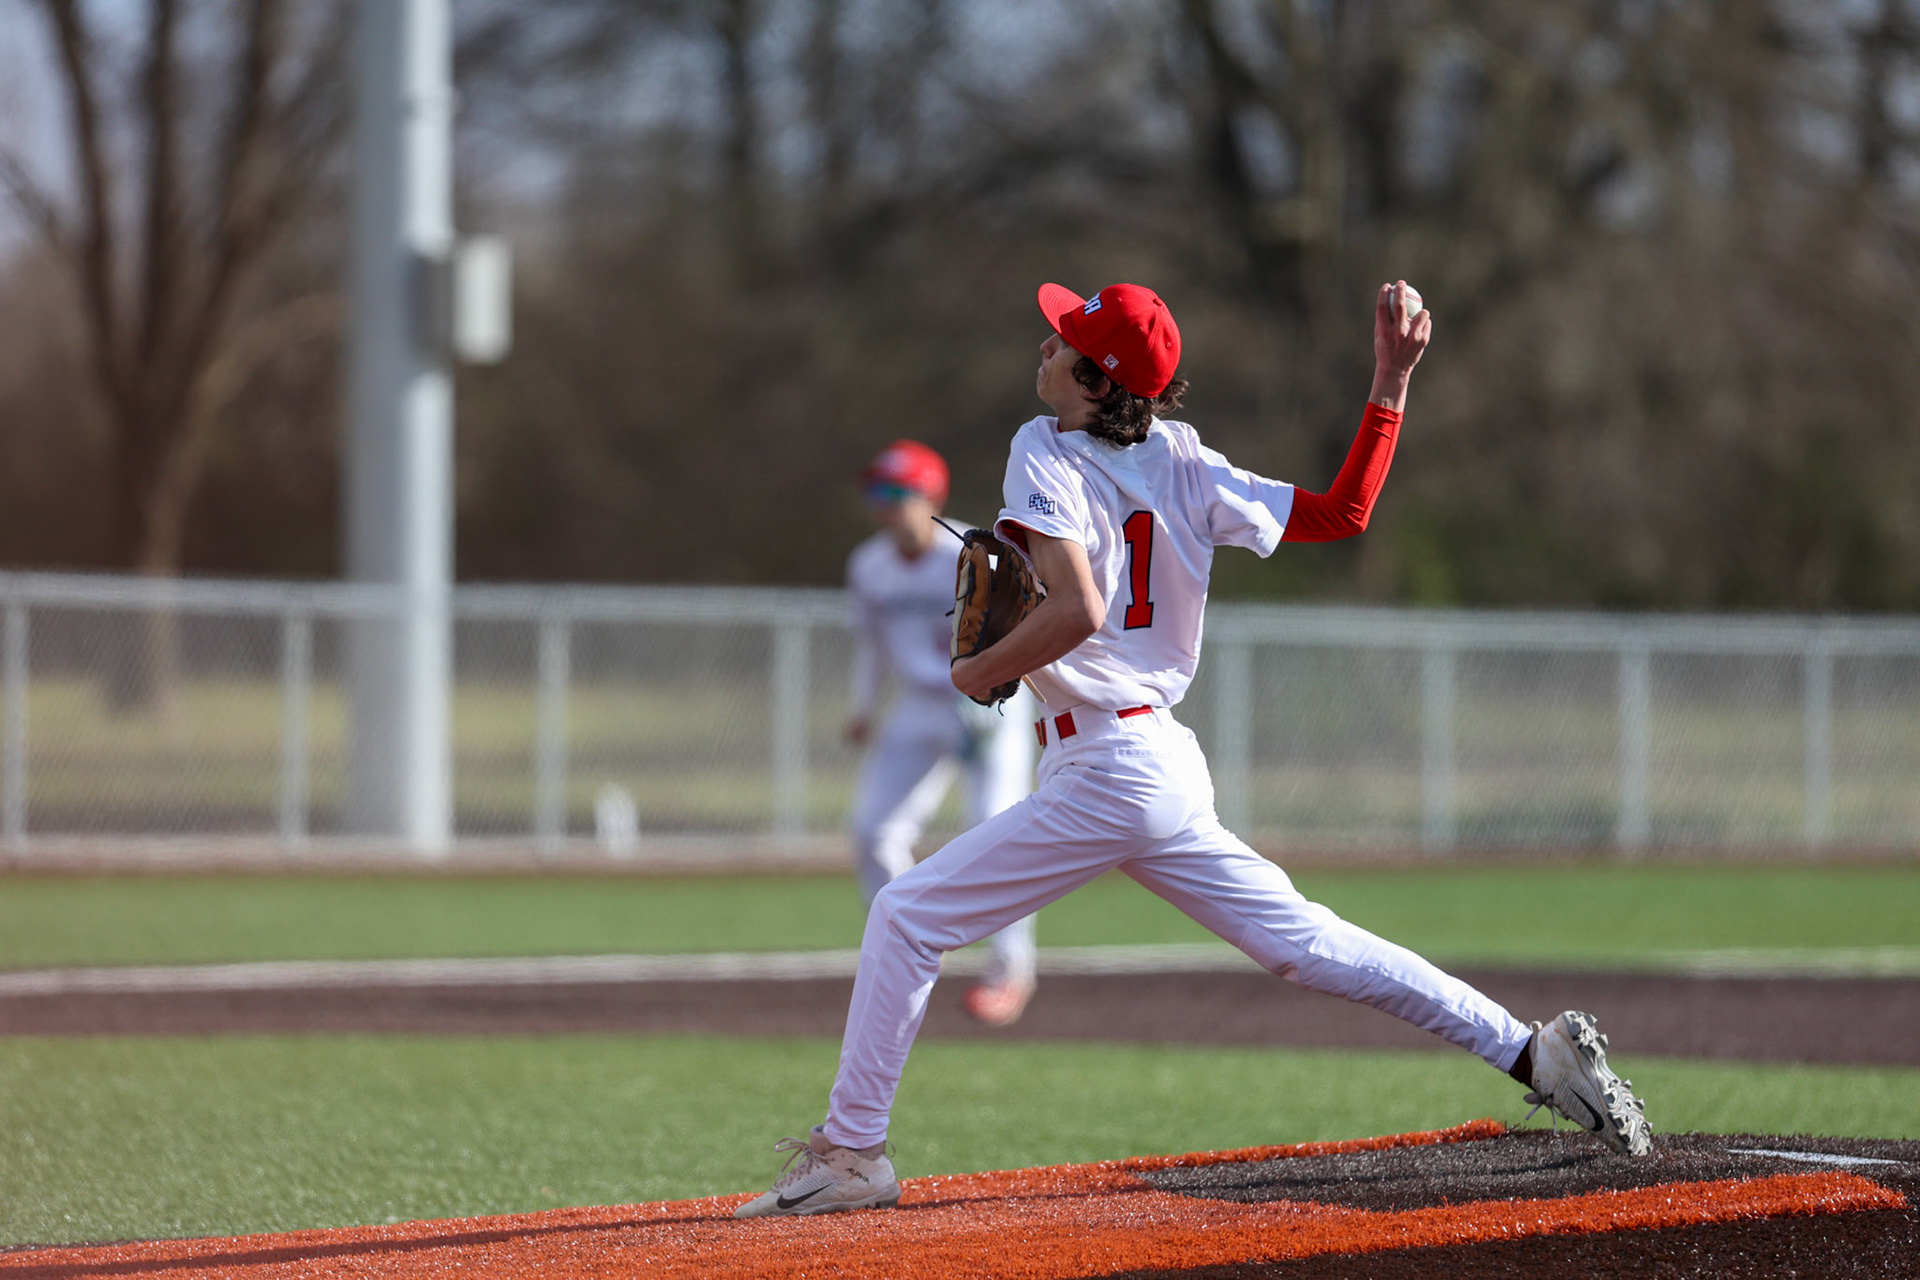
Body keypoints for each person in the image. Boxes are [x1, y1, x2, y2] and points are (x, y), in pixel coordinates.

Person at [735, 280, 1652, 1220]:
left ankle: (852, 1153)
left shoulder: (1041, 445)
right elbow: (1343, 513)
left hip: (1108, 768)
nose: (1047, 343)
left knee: (903, 915)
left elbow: (1080, 608)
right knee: (1308, 943)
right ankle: (1530, 1052)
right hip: (1156, 761)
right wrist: (1389, 381)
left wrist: (978, 675)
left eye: (1065, 339)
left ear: (1095, 382)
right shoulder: (1185, 460)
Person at [843, 441, 1040, 1027]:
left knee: (998, 835)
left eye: (898, 492)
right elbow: (873, 646)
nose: (886, 504)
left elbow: (1022, 623)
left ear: (931, 495)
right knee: (873, 832)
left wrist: (999, 683)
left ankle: (1012, 970)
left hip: (989, 703)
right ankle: (917, 939)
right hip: (919, 704)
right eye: (879, 492)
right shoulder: (869, 564)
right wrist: (862, 706)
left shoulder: (971, 551)